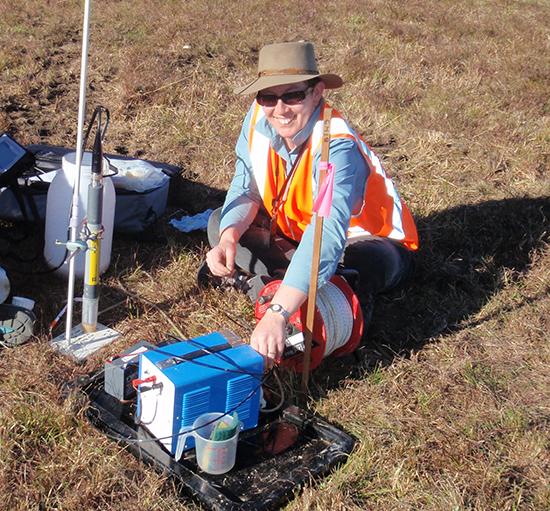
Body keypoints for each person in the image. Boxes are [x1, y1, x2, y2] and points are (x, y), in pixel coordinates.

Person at [202, 41, 418, 365]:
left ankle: (296, 292)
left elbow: (326, 234)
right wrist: (229, 238)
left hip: (369, 242)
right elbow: (244, 186)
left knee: (356, 268)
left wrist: (277, 313)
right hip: (297, 231)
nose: (280, 109)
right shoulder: (258, 118)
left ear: (316, 92)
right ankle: (293, 285)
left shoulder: (337, 150)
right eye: (268, 97)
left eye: (292, 95)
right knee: (220, 221)